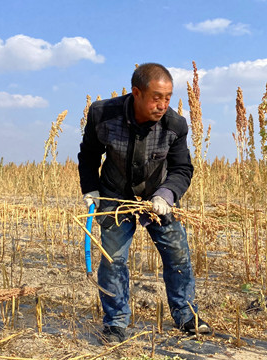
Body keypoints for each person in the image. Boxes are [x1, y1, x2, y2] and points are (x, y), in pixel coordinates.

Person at [77, 63, 211, 344]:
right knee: (113, 258)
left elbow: (182, 169)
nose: (162, 105)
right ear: (136, 93)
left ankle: (186, 316)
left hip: (157, 197)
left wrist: (166, 195)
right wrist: (90, 189)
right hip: (115, 194)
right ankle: (115, 323)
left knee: (178, 255)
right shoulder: (103, 114)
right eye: (156, 97)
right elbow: (89, 154)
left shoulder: (175, 125)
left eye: (168, 97)